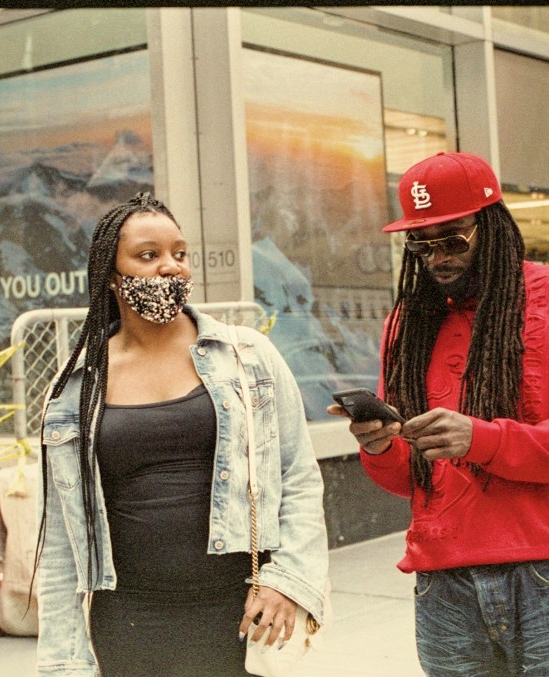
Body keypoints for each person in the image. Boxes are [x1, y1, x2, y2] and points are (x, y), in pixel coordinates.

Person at [327, 152, 549, 676]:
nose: (437, 258)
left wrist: (482, 440)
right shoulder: (407, 323)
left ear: (492, 226)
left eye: (452, 240)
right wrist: (379, 446)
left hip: (546, 571)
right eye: (421, 244)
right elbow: (410, 481)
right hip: (443, 580)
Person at [34, 192, 329, 676]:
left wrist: (288, 580)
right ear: (112, 276)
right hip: (128, 622)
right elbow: (60, 539)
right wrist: (62, 661)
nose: (171, 266)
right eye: (148, 255)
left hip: (241, 614)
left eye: (180, 253)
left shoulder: (247, 357)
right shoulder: (75, 388)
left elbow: (297, 475)